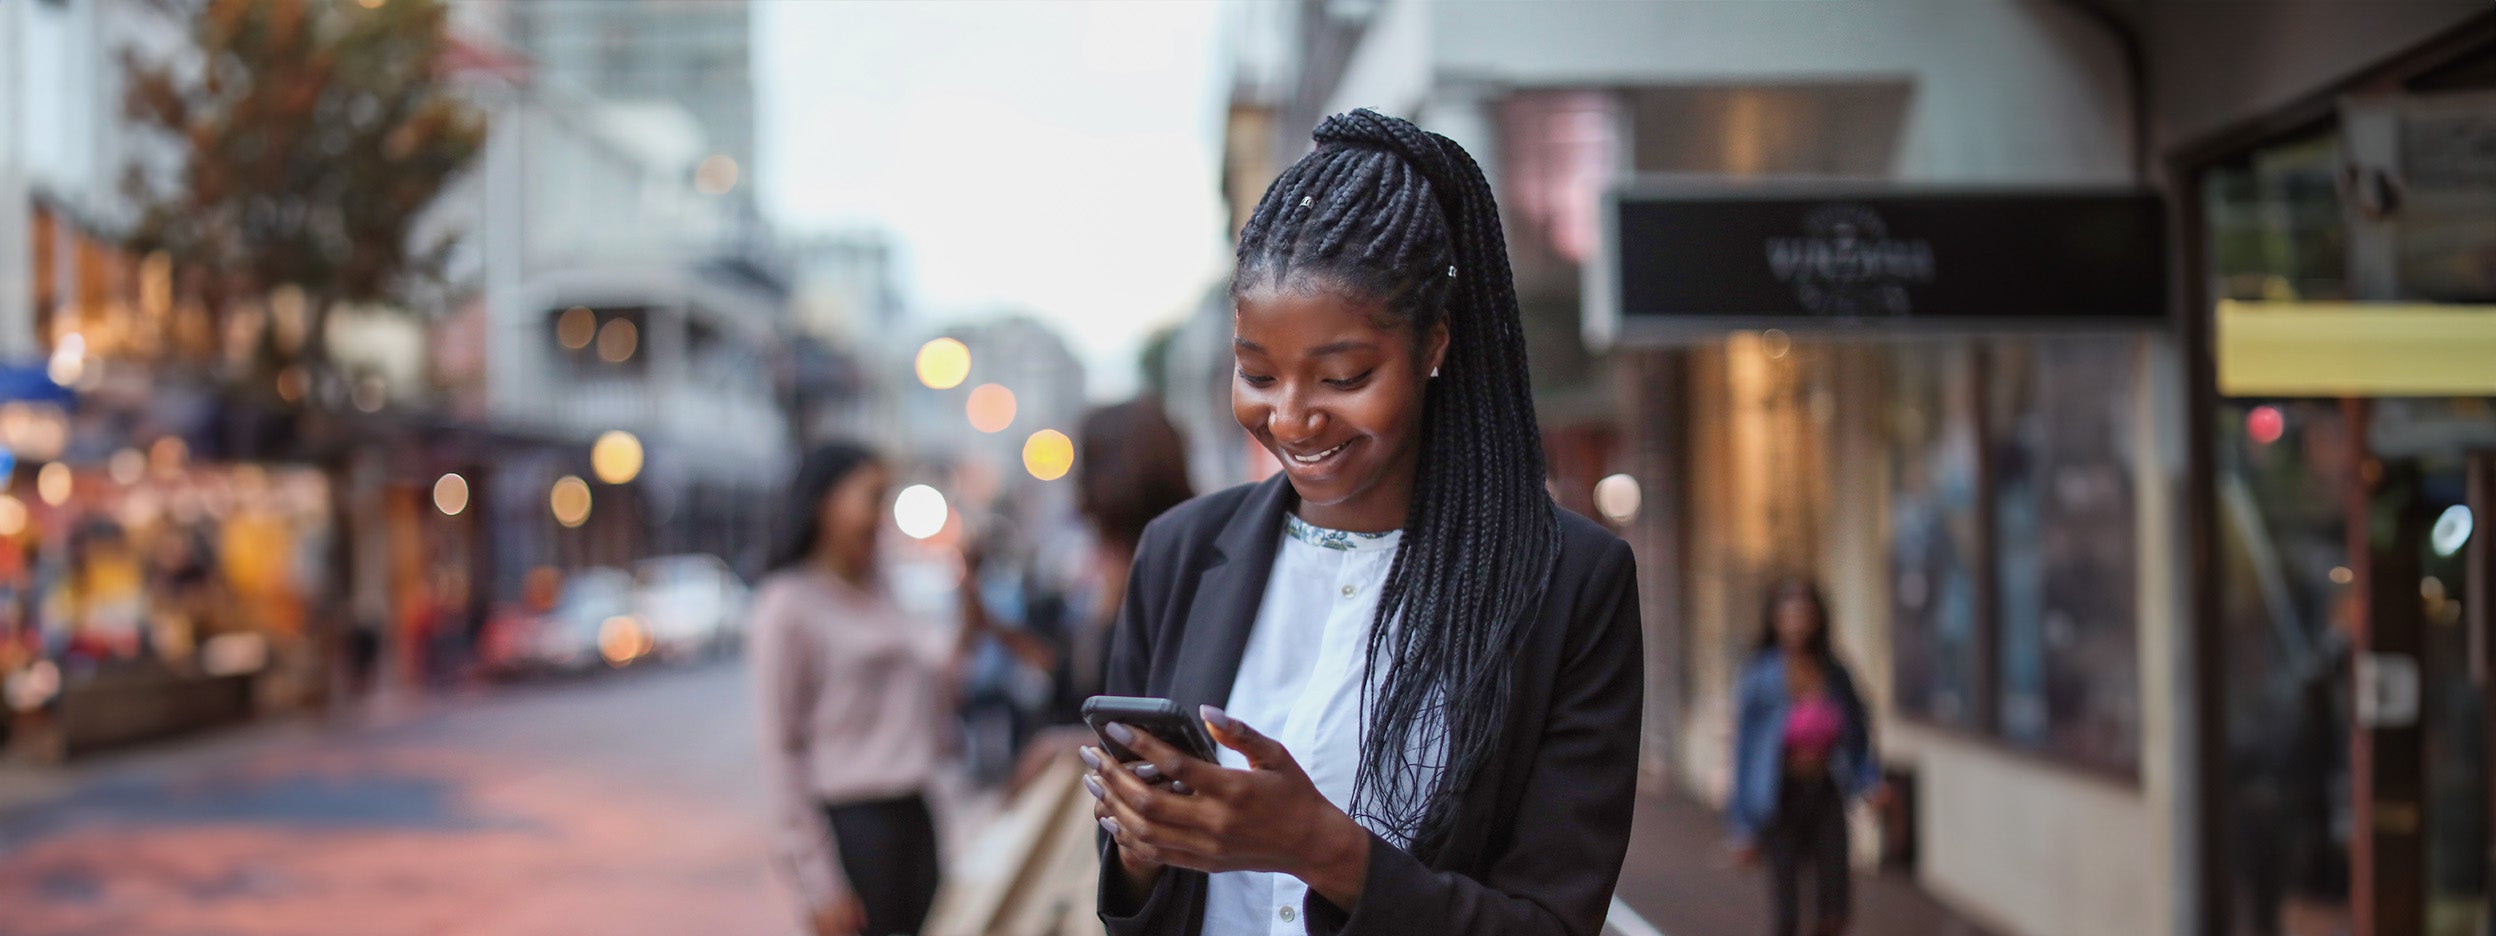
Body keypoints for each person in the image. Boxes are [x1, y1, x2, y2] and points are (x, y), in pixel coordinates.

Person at [1084, 108, 1643, 936]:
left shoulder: (1568, 584)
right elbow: (1136, 906)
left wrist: (1324, 850)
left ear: (1434, 346)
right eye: (1258, 374)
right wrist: (1142, 842)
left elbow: (1550, 923)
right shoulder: (1180, 553)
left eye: (1343, 376)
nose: (1293, 418)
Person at [751, 442, 1014, 936]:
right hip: (854, 832)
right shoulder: (787, 605)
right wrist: (817, 883)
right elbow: (779, 751)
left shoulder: (880, 589)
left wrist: (969, 604)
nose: (880, 516)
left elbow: (935, 690)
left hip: (914, 816)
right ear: (824, 501)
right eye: (871, 497)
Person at [1728, 579, 1884, 936]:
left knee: (1835, 909)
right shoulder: (1759, 675)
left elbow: (1858, 737)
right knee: (1787, 915)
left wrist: (1870, 783)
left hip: (1826, 791)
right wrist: (1743, 830)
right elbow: (1745, 754)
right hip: (1780, 796)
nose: (1797, 620)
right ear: (1775, 619)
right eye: (1788, 611)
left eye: (1805, 611)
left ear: (1817, 618)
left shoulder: (1835, 673)